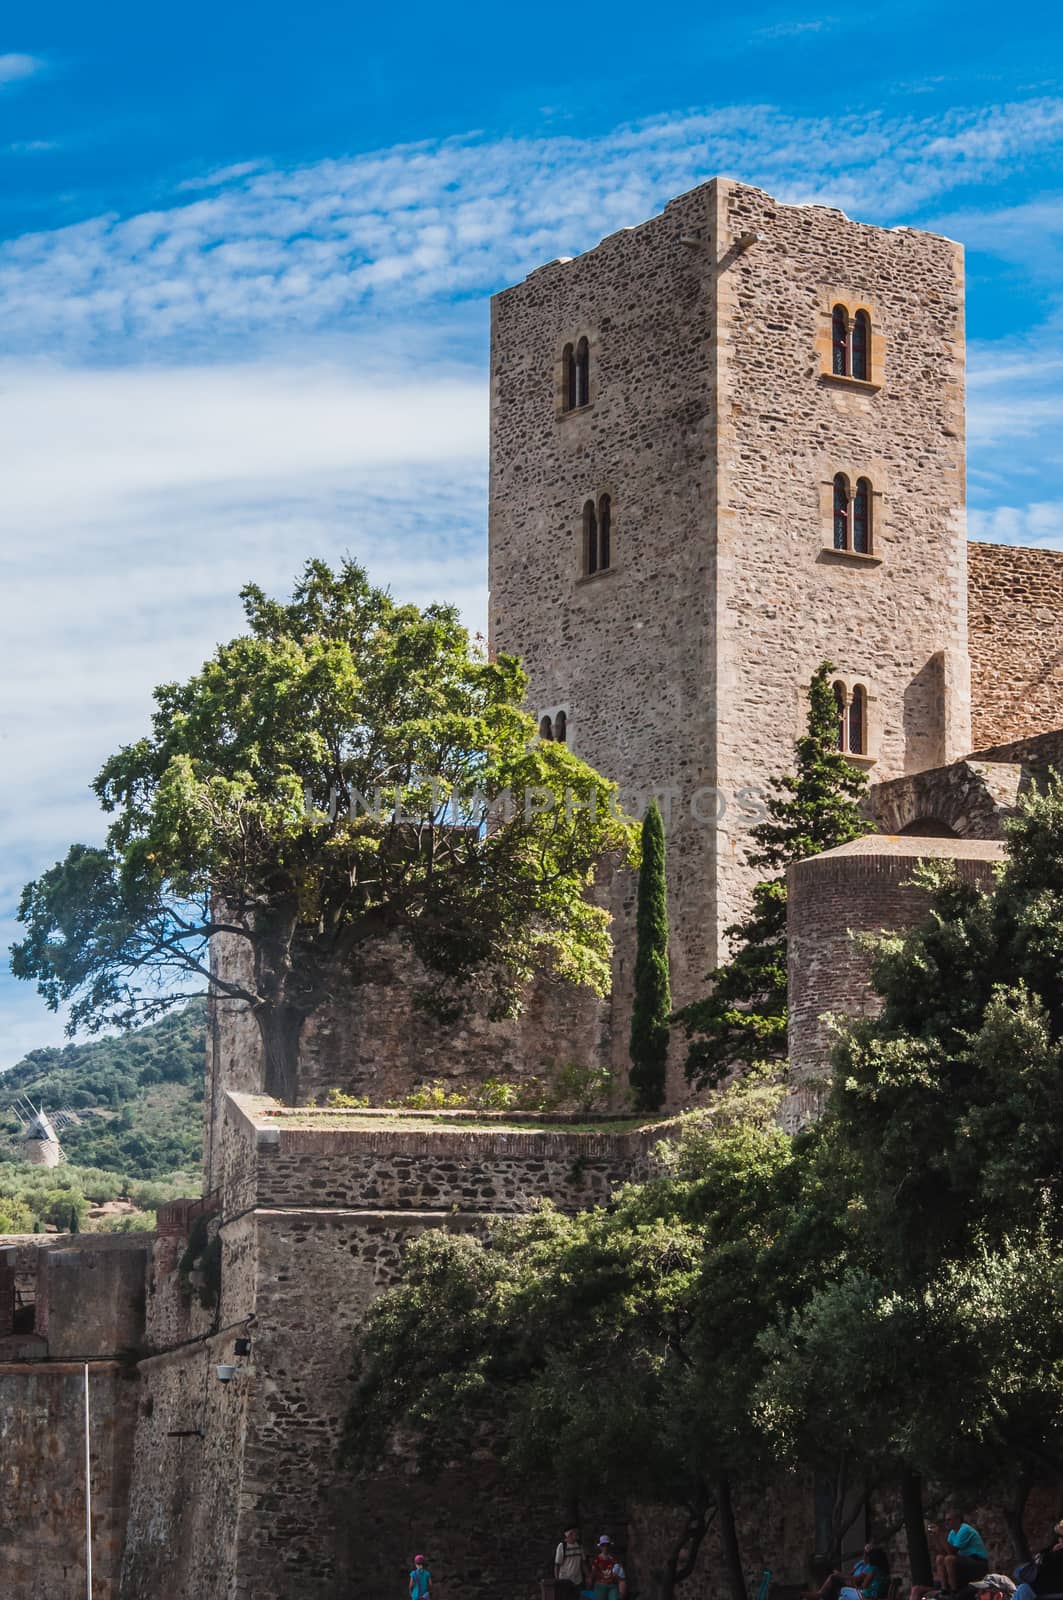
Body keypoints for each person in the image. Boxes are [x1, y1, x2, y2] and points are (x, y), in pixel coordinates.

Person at [1012, 1520, 1063, 1600]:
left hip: (1043, 1591)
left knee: (1023, 1589)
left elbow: (1032, 1573)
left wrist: (1049, 1554)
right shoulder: (1055, 1552)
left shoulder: (1056, 1555)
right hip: (1045, 1591)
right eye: (1058, 1536)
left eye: (1060, 1536)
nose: (1059, 1540)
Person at [555, 1527, 588, 1597]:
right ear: (569, 1534)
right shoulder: (562, 1546)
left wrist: (588, 1576)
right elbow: (557, 1565)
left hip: (578, 1580)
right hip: (565, 1580)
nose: (577, 1534)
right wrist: (557, 1580)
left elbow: (583, 1563)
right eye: (575, 1533)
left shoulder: (579, 1545)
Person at [591, 1536, 626, 1600]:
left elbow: (621, 1577)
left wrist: (621, 1592)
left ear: (609, 1546)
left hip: (612, 1585)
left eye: (607, 1545)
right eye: (603, 1545)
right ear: (600, 1546)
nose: (605, 1547)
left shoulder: (615, 1560)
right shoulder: (596, 1560)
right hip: (600, 1585)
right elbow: (593, 1574)